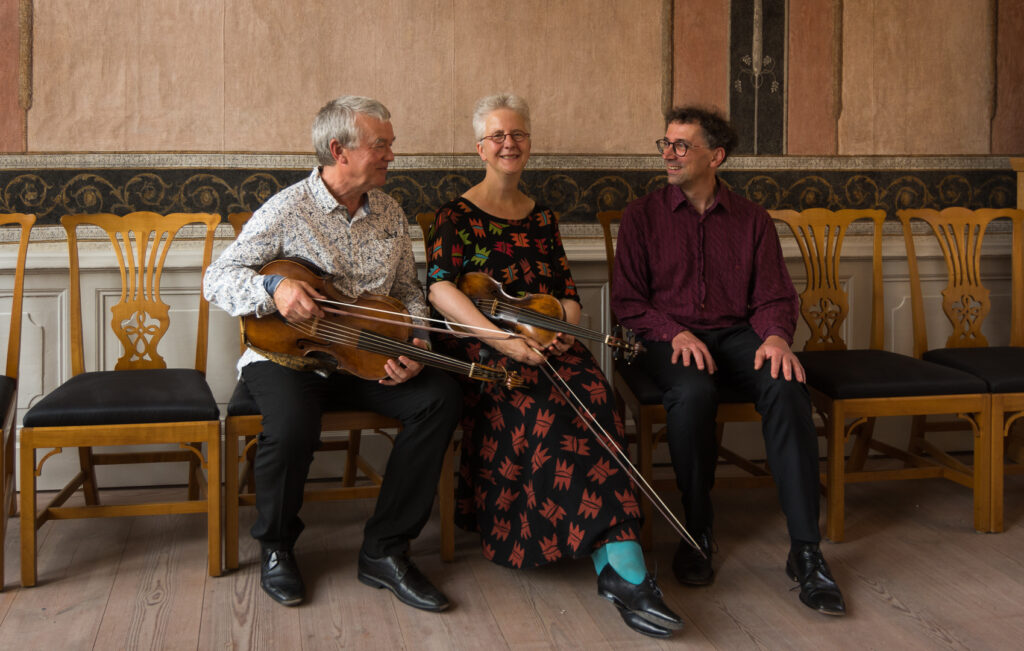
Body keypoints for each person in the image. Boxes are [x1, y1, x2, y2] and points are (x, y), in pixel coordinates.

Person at [424, 94, 684, 638]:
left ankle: (614, 557)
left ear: (529, 145)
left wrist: (561, 333)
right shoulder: (456, 215)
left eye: (517, 135)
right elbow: (440, 289)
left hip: (550, 343)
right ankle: (623, 567)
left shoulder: (542, 216)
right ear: (480, 148)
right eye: (497, 136)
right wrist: (502, 341)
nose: (508, 144)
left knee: (595, 396)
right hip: (484, 351)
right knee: (538, 408)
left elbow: (567, 295)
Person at [204, 95, 461, 611]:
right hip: (290, 358)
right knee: (294, 423)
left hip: (366, 356)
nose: (392, 154)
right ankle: (276, 548)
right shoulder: (285, 209)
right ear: (339, 150)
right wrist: (274, 290)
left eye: (390, 144)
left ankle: (385, 549)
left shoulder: (389, 211)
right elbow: (217, 278)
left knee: (442, 397)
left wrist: (416, 337)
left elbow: (409, 289)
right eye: (381, 144)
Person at [610, 105, 846, 616]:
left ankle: (806, 551)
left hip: (738, 334)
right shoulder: (641, 216)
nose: (669, 155)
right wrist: (675, 332)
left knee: (786, 384)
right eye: (665, 144)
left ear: (715, 157)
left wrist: (778, 339)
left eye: (681, 146)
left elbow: (775, 297)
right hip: (664, 339)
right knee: (692, 392)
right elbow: (628, 303)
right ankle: (696, 532)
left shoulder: (752, 220)